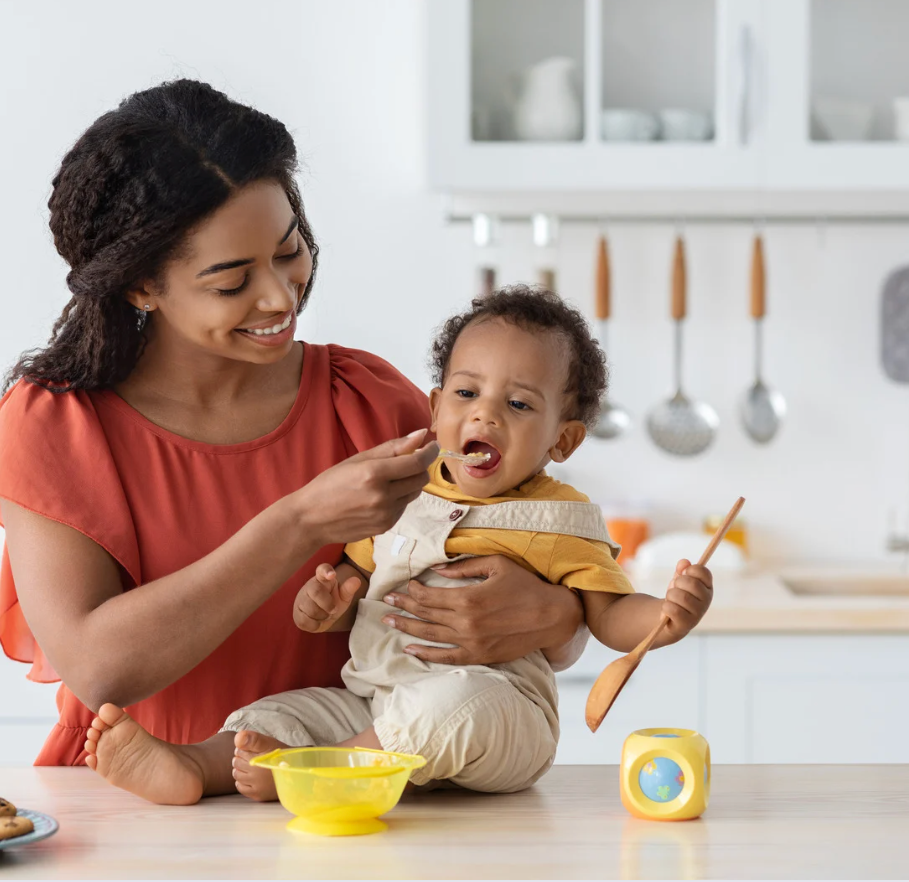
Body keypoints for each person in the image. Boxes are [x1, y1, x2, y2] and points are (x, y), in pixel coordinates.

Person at [0, 80, 591, 790]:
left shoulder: (366, 400)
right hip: (133, 808)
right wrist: (301, 521)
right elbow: (98, 667)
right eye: (231, 282)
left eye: (289, 250)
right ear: (141, 286)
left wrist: (555, 614)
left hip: (341, 810)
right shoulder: (59, 424)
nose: (280, 295)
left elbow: (538, 590)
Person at [83, 285, 714, 803]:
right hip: (373, 703)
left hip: (500, 713)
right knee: (282, 714)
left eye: (519, 404)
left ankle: (326, 774)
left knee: (459, 703)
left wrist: (668, 614)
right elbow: (352, 584)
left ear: (563, 439)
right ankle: (198, 766)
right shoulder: (402, 491)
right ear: (435, 409)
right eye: (466, 393)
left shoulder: (560, 519)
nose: (485, 415)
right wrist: (324, 603)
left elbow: (608, 618)